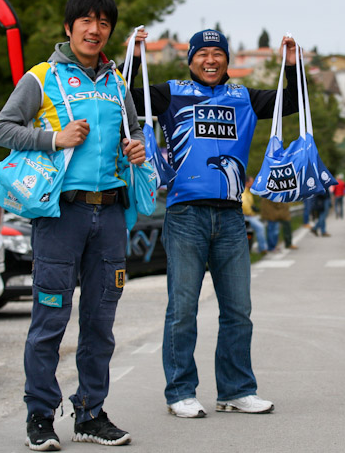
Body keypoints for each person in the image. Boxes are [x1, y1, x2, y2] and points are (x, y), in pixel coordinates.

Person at [0, 0, 143, 450]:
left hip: (111, 213)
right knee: (49, 321)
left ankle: (90, 414)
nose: (95, 30)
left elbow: (133, 133)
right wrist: (53, 138)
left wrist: (137, 147)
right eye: (86, 22)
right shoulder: (42, 76)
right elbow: (2, 129)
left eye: (103, 24)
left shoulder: (117, 82)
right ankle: (40, 416)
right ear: (69, 27)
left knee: (100, 323)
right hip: (61, 215)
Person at [127, 28, 298, 417]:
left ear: (227, 60)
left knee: (238, 310)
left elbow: (292, 102)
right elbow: (121, 97)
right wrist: (136, 55)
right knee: (183, 308)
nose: (210, 59)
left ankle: (236, 390)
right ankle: (180, 392)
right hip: (185, 215)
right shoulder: (170, 93)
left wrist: (291, 64)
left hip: (232, 217)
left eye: (217, 53)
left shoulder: (245, 98)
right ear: (190, 60)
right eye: (202, 53)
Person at [242, 176, 268, 255]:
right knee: (260, 227)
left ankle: (256, 248)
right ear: (247, 183)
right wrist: (250, 212)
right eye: (252, 181)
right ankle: (262, 248)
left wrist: (253, 209)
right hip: (246, 216)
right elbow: (244, 204)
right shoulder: (244, 191)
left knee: (252, 231)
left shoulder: (248, 191)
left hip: (249, 215)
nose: (253, 183)